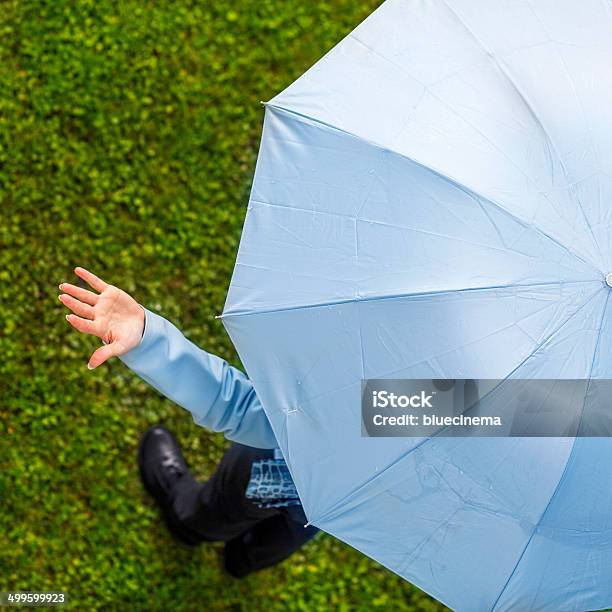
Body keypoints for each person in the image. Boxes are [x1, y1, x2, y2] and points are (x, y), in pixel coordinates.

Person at [58, 266, 318, 577]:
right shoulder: (386, 403)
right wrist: (147, 338)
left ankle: (191, 527)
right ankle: (242, 560)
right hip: (343, 501)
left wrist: (150, 341)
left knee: (221, 509)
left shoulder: (384, 399)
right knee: (297, 526)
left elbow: (241, 407)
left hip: (289, 475)